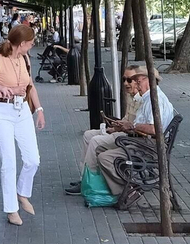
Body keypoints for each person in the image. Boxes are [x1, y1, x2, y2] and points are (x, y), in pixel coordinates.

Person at [68, 62, 173, 199]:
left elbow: (153, 129)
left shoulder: (154, 99)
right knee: (98, 147)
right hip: (144, 141)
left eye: (137, 81)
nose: (135, 84)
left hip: (149, 145)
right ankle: (94, 181)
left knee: (103, 156)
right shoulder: (148, 98)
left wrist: (132, 127)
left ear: (147, 80)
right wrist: (126, 126)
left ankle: (126, 191)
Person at [0, 22, 44, 226]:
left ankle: (22, 193)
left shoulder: (24, 59)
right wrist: (1, 89)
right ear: (22, 43)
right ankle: (11, 209)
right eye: (31, 43)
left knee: (33, 159)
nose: (32, 46)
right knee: (8, 163)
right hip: (2, 113)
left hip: (22, 111)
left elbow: (30, 85)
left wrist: (39, 110)